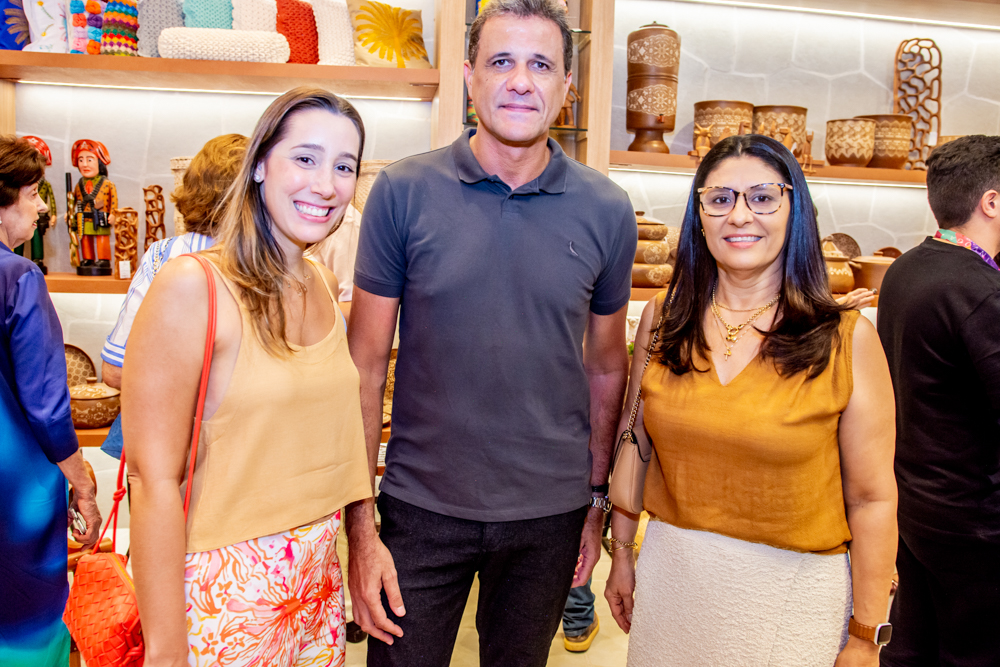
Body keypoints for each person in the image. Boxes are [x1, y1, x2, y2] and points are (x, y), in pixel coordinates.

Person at [345, 0, 636, 664]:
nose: (520, 81)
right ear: (470, 77)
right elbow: (363, 366)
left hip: (548, 517)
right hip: (419, 509)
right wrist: (360, 525)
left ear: (567, 87)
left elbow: (605, 368)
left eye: (542, 65)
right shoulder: (401, 191)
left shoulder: (607, 210)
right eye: (501, 61)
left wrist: (595, 503)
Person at [604, 134, 898, 667]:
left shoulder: (846, 338)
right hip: (671, 585)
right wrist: (621, 554)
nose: (740, 215)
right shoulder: (664, 319)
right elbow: (635, 442)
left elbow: (873, 500)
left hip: (791, 600)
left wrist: (865, 634)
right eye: (720, 199)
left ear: (794, 211)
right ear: (699, 217)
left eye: (762, 197)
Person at [123, 87, 372, 666]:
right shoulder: (193, 286)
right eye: (305, 158)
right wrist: (166, 650)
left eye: (344, 167)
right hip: (224, 593)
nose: (325, 185)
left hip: (316, 587)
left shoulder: (319, 281)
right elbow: (152, 480)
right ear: (260, 164)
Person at [877, 135, 1000, 666]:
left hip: (916, 502)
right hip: (975, 519)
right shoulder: (980, 290)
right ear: (990, 201)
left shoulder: (907, 268)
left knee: (911, 648)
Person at [0, 135, 102, 667]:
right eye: (33, 193)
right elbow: (46, 403)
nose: (42, 207)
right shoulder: (18, 276)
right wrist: (81, 483)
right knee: (25, 621)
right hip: (13, 486)